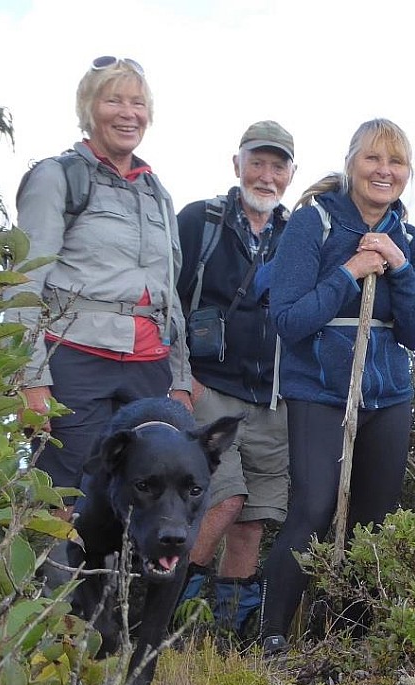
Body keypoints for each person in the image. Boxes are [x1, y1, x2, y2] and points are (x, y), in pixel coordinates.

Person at [258, 118, 415, 654]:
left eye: (396, 161)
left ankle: (348, 640)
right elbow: (288, 319)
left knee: (373, 521)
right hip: (318, 390)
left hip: (389, 395)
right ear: (351, 163)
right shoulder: (312, 223)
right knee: (313, 508)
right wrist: (351, 270)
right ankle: (271, 636)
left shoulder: (410, 240)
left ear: (407, 172)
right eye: (372, 158)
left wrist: (399, 268)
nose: (384, 171)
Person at [10, 56, 192, 515]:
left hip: (149, 368)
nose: (128, 113)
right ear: (89, 108)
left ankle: (116, 568)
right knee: (64, 492)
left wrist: (181, 380)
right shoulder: (57, 177)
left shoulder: (158, 192)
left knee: (143, 495)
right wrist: (31, 380)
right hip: (76, 359)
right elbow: (23, 281)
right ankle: (52, 567)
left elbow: (169, 294)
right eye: (114, 100)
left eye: (138, 103)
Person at [170, 121, 296, 635]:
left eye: (277, 166)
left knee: (252, 523)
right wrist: (182, 380)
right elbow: (167, 305)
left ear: (291, 174)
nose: (266, 175)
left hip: (272, 401)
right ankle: (165, 617)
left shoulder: (299, 234)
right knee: (223, 503)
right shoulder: (198, 221)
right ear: (237, 164)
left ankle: (226, 639)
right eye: (257, 162)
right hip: (208, 392)